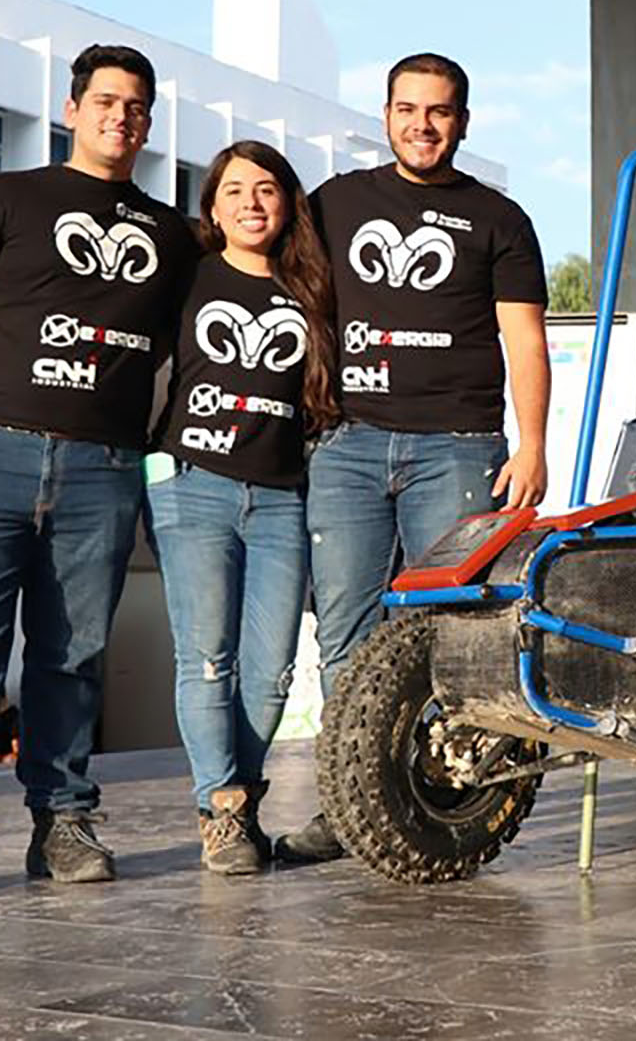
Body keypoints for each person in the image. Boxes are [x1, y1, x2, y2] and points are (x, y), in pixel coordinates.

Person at [0, 44, 201, 903]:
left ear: (148, 120)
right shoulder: (1, 197)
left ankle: (62, 820)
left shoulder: (169, 233)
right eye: (104, 101)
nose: (120, 117)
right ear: (71, 108)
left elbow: (176, 346)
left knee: (73, 655)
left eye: (135, 106)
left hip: (102, 465)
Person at [275, 52, 549, 864]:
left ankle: (447, 797)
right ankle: (350, 797)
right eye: (407, 109)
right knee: (348, 629)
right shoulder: (335, 203)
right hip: (348, 445)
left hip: (458, 447)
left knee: (456, 625)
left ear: (462, 121)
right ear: (386, 114)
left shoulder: (500, 219)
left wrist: (532, 445)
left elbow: (524, 339)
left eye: (438, 111)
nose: (421, 125)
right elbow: (272, 282)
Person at [145, 140, 337, 874]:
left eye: (265, 190)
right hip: (192, 486)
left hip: (283, 497)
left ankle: (242, 799)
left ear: (287, 203)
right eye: (233, 191)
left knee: (271, 672)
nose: (251, 204)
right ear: (212, 206)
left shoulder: (311, 288)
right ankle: (221, 810)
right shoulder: (187, 276)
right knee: (206, 660)